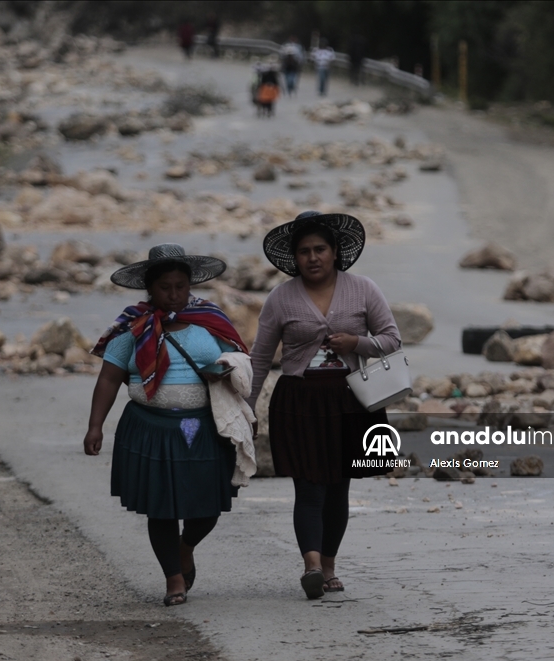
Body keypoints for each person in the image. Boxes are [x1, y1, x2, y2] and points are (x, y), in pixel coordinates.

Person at [85, 244, 253, 607]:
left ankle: (185, 547)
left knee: (208, 505)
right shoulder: (132, 328)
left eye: (180, 286)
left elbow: (241, 358)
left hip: (203, 428)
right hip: (150, 427)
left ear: (190, 285)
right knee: (160, 506)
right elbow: (109, 378)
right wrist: (95, 426)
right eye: (165, 287)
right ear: (150, 289)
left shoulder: (210, 321)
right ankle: (173, 577)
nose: (174, 294)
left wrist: (229, 370)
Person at [248, 212, 401, 599]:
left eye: (320, 249)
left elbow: (392, 340)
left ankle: (329, 565)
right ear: (294, 258)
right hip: (299, 402)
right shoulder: (280, 298)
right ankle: (312, 566)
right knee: (309, 487)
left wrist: (357, 344)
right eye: (304, 251)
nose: (312, 257)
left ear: (335, 252)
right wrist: (246, 408)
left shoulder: (364, 289)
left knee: (338, 488)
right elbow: (261, 359)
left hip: (351, 400)